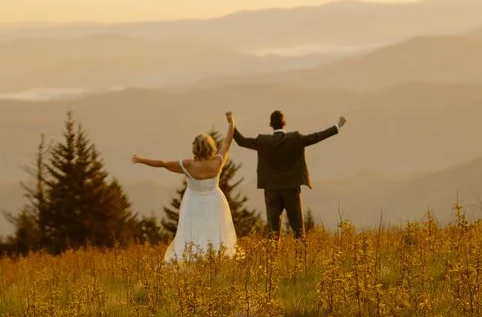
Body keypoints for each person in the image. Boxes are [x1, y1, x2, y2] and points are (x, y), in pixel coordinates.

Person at [228, 108, 344, 238]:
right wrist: (337, 126)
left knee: (272, 230)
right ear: (285, 123)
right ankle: (301, 256)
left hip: (271, 189)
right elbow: (316, 137)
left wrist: (231, 124)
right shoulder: (295, 139)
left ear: (270, 125)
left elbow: (241, 141)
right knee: (298, 228)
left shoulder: (262, 141)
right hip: (291, 188)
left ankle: (271, 257)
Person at [132, 125, 242, 262]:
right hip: (215, 201)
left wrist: (141, 160)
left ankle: (193, 258)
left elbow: (163, 164)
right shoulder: (217, 162)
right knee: (215, 229)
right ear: (211, 147)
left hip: (193, 203)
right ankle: (216, 258)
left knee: (192, 231)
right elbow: (227, 142)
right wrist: (231, 122)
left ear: (195, 148)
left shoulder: (188, 165)